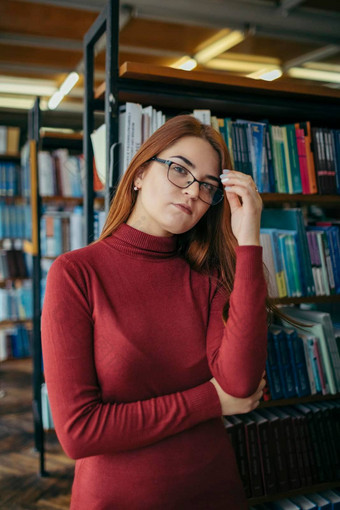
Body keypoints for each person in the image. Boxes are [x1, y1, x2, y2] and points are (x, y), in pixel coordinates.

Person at [41, 114, 268, 510]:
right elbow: (79, 433)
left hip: (214, 492)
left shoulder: (209, 276)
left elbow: (241, 384)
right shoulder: (76, 273)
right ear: (141, 173)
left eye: (208, 186)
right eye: (180, 170)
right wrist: (210, 402)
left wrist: (247, 238)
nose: (193, 192)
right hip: (118, 499)